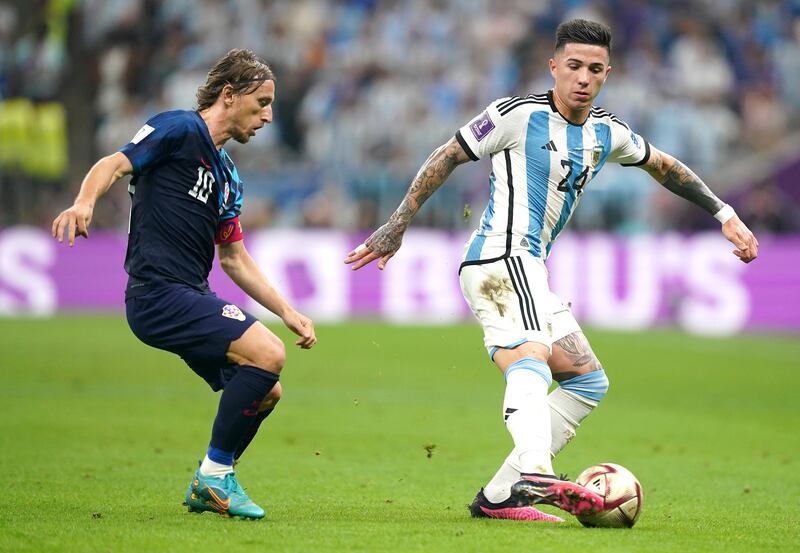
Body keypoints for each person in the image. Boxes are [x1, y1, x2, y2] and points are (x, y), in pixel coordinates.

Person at [345, 19, 758, 523]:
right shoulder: (516, 115)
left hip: (531, 268)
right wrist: (397, 223)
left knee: (588, 381)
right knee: (532, 357)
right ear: (554, 67)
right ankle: (537, 472)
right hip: (499, 257)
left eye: (596, 70)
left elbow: (665, 166)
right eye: (574, 67)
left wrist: (725, 214)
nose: (584, 78)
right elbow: (448, 154)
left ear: (608, 73)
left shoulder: (608, 132)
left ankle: (500, 496)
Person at [52, 49, 317, 520]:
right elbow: (112, 164)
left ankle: (213, 480)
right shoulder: (178, 129)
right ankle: (214, 477)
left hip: (190, 294)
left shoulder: (227, 175)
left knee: (266, 389)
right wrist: (84, 203)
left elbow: (233, 258)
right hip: (157, 292)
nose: (269, 115)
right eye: (261, 102)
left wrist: (287, 310)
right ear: (229, 95)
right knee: (269, 354)